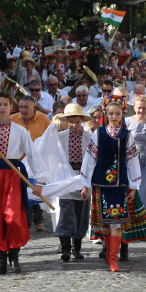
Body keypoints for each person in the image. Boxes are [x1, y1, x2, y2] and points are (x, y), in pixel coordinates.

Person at [0, 90, 46, 275]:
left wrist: (39, 181)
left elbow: (32, 155)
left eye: (6, 104)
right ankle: (1, 259)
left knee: (13, 215)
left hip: (13, 175)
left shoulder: (20, 131)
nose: (2, 108)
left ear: (11, 107)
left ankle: (14, 255)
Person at [80, 96, 142, 272]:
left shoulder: (127, 135)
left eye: (117, 114)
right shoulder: (98, 134)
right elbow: (90, 159)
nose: (114, 117)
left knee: (117, 222)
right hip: (101, 183)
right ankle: (109, 252)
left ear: (122, 114)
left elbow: (132, 161)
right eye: (110, 114)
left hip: (120, 185)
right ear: (105, 115)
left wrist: (133, 185)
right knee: (104, 224)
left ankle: (114, 259)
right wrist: (85, 184)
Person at [54, 104, 92, 261]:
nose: (75, 125)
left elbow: (91, 160)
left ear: (82, 121)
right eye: (72, 122)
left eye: (78, 122)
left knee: (81, 213)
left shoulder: (89, 137)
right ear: (67, 121)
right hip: (66, 177)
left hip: (83, 176)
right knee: (66, 211)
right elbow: (53, 155)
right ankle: (66, 248)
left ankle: (77, 246)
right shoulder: (61, 136)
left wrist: (87, 181)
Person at [11, 95, 50, 232]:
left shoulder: (43, 119)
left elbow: (49, 140)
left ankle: (38, 221)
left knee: (37, 191)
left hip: (37, 163)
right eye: (21, 107)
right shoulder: (13, 119)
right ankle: (25, 224)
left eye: (26, 107)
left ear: (34, 106)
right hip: (19, 165)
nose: (23, 110)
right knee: (23, 195)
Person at [125, 95, 146, 217]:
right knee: (130, 191)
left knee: (144, 192)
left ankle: (143, 223)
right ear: (134, 107)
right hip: (130, 162)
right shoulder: (127, 121)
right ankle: (130, 220)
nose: (141, 111)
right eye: (139, 107)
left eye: (144, 108)